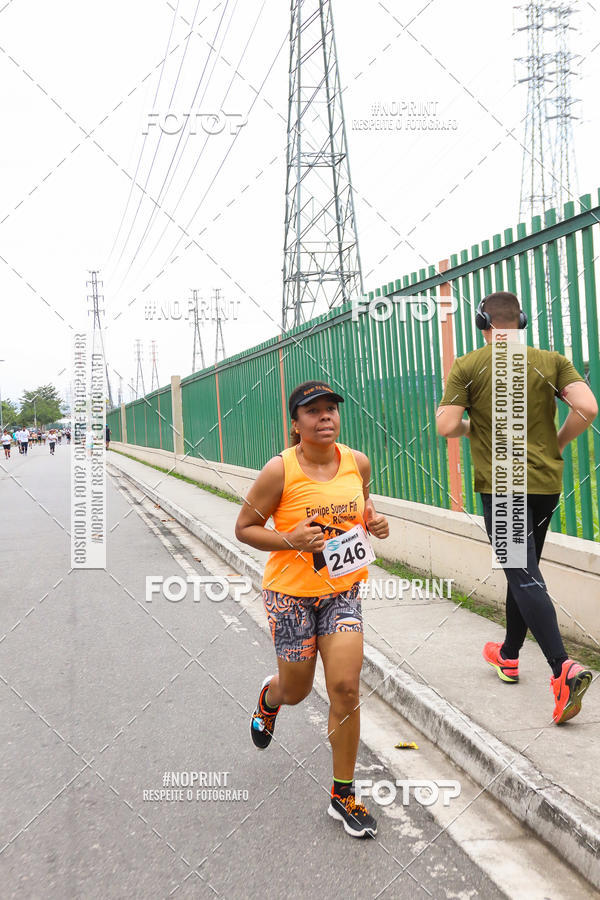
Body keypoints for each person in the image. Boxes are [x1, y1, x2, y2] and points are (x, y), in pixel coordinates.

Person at [235, 380, 389, 838]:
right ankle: (271, 696)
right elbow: (244, 527)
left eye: (331, 410)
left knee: (344, 687)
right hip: (291, 596)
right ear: (295, 424)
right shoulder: (279, 471)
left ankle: (343, 795)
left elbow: (363, 511)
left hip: (342, 591)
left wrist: (375, 522)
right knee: (298, 690)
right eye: (313, 411)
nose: (325, 417)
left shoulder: (356, 462)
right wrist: (289, 539)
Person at [436, 291, 598, 725]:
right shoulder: (552, 361)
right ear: (521, 321)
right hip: (546, 483)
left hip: (504, 487)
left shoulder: (470, 366)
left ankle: (562, 669)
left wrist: (477, 426)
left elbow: (447, 425)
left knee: (523, 574)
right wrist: (557, 442)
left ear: (480, 323)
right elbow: (588, 407)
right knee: (523, 573)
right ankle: (508, 655)